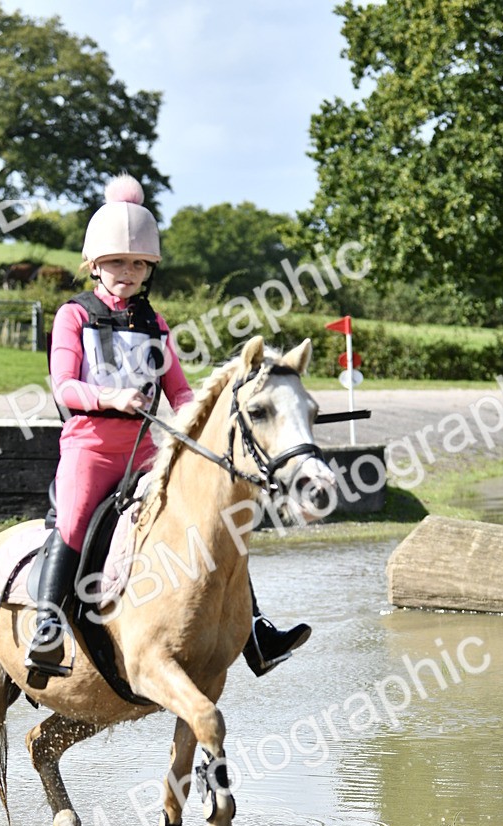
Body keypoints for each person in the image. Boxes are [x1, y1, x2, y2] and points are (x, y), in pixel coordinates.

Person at [25, 174, 310, 682]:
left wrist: (200, 422)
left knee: (213, 524)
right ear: (93, 265)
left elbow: (180, 393)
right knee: (71, 523)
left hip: (145, 455)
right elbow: (64, 386)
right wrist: (112, 396)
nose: (127, 272)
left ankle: (256, 630)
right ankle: (47, 627)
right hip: (90, 448)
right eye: (116, 262)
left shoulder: (155, 326)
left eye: (138, 264)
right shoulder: (73, 316)